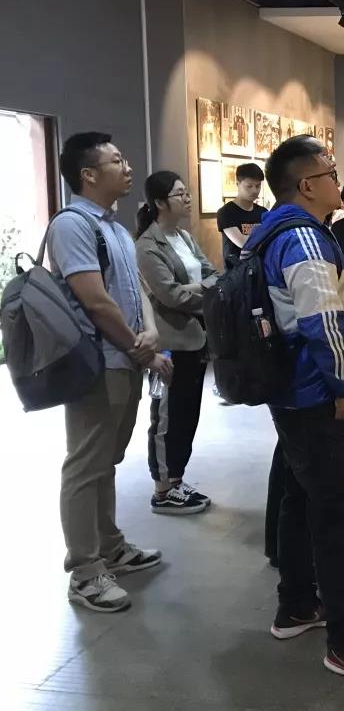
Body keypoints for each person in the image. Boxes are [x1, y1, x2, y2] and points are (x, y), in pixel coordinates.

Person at [248, 135, 344, 688]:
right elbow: (322, 320)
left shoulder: (275, 230)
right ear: (307, 185)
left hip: (294, 393)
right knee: (336, 515)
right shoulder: (305, 239)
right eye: (331, 173)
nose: (340, 180)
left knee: (299, 496)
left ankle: (296, 604)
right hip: (316, 394)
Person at [49, 132, 171, 612]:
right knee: (85, 466)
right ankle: (84, 570)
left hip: (124, 360)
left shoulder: (115, 228)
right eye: (117, 161)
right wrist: (143, 352)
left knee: (104, 461)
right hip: (97, 365)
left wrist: (152, 331)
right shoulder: (72, 225)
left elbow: (138, 290)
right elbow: (95, 301)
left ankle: (110, 546)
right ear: (88, 174)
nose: (128, 167)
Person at [135, 171, 219, 516]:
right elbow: (170, 295)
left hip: (196, 338)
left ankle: (176, 479)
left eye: (187, 192)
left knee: (187, 414)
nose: (187, 199)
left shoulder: (184, 236)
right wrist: (204, 291)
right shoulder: (147, 246)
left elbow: (213, 274)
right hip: (170, 343)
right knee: (166, 416)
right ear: (159, 202)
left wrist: (197, 289)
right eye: (179, 194)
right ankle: (162, 488)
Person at [216, 162, 268, 270]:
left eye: (258, 186)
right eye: (249, 186)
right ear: (237, 183)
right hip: (237, 273)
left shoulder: (263, 212)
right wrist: (264, 238)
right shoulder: (226, 212)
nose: (254, 190)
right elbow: (243, 243)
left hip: (260, 270)